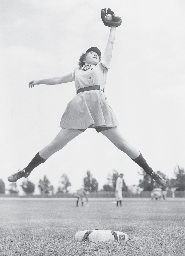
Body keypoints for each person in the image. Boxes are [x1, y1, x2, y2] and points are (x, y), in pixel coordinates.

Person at [8, 8, 166, 188]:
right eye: (92, 53)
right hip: (79, 107)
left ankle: (152, 173)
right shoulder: (76, 72)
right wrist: (40, 81)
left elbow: (111, 43)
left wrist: (113, 26)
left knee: (122, 144)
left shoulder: (102, 66)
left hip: (99, 106)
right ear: (83, 58)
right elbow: (59, 79)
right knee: (56, 144)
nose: (96, 54)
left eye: (97, 54)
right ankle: (26, 170)